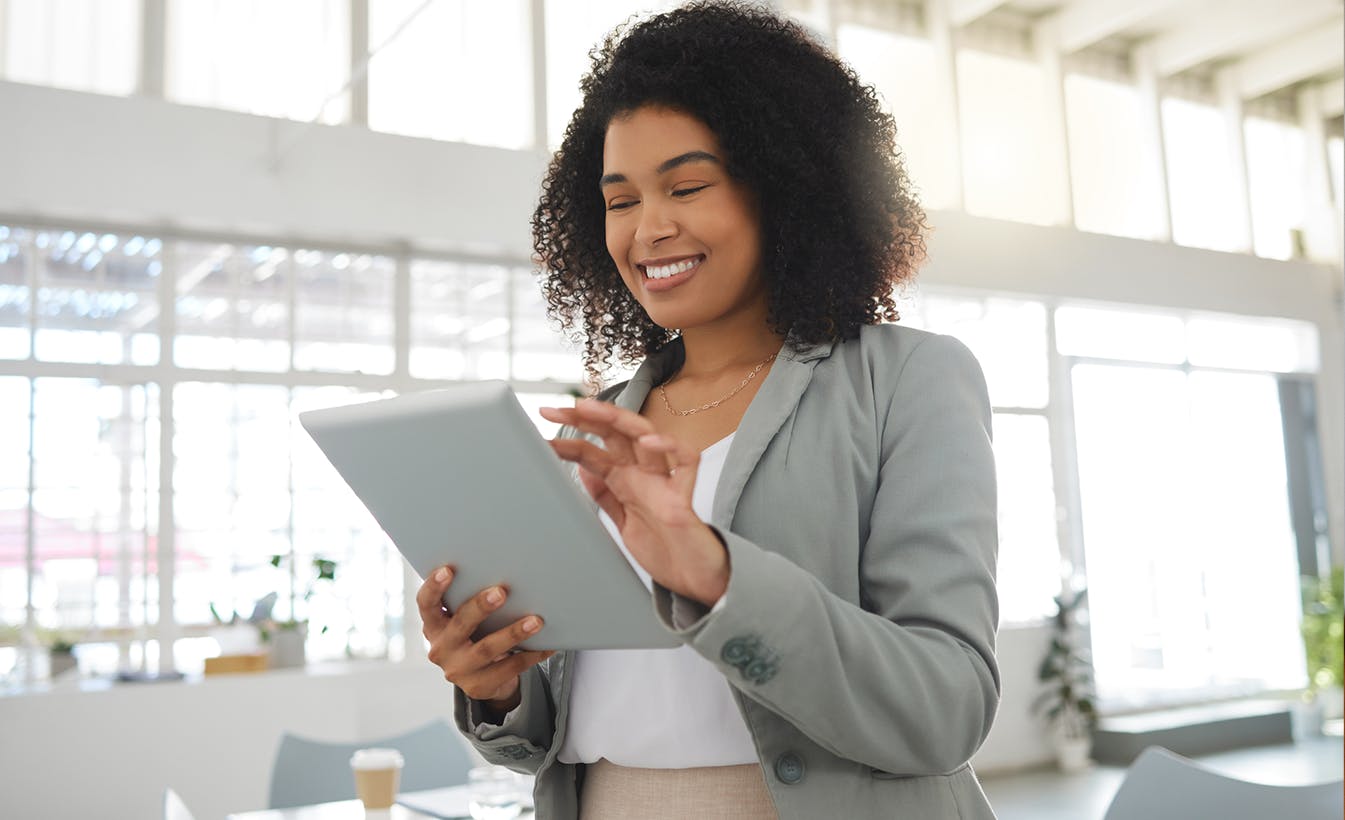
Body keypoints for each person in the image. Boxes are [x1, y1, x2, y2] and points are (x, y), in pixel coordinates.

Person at [417, 3, 999, 817]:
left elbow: (947, 707)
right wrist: (498, 687)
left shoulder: (908, 380)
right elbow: (567, 720)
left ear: (789, 191)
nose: (648, 229)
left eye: (686, 186)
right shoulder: (607, 421)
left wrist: (717, 577)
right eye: (619, 201)